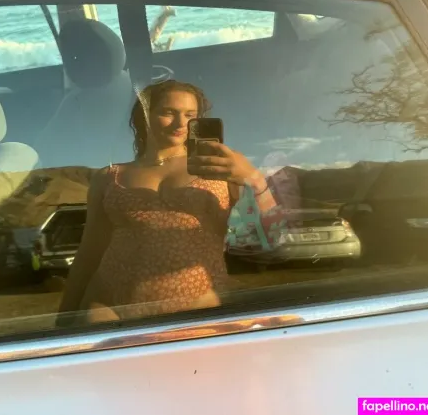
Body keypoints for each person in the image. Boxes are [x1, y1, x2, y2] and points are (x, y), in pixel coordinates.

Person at [57, 80, 276, 324]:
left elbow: (273, 230)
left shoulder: (222, 166)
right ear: (145, 116)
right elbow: (89, 253)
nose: (180, 123)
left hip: (198, 309)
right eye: (168, 112)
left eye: (189, 115)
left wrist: (254, 178)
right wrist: (63, 319)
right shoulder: (109, 176)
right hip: (108, 306)